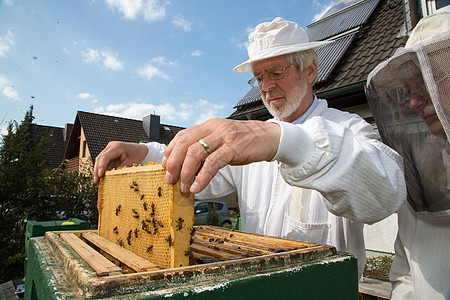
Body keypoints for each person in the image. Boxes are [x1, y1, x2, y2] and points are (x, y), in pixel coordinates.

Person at [94, 17, 406, 278]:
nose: (266, 86)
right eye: (259, 77)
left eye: (277, 72)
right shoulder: (243, 142)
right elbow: (190, 164)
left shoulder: (347, 128)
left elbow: (385, 192)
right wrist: (143, 153)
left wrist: (285, 142)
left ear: (309, 71)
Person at [366, 8, 450, 299]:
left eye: (428, 79)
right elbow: (404, 273)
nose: (413, 101)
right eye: (409, 88)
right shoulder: (423, 167)